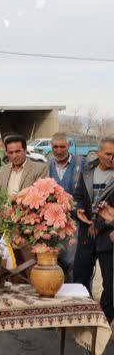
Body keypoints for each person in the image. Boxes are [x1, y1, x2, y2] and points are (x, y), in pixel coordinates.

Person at [72, 137, 114, 321]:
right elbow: (78, 195)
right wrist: (78, 209)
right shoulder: (88, 170)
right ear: (98, 153)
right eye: (108, 154)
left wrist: (101, 225)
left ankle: (105, 322)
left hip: (108, 234)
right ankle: (81, 319)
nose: (112, 158)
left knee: (110, 283)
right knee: (80, 276)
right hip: (86, 233)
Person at [47, 133, 82, 281]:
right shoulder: (47, 166)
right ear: (51, 147)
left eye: (62, 146)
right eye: (55, 147)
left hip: (75, 222)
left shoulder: (81, 165)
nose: (59, 150)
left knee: (75, 262)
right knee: (56, 261)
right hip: (53, 225)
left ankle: (78, 299)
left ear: (68, 146)